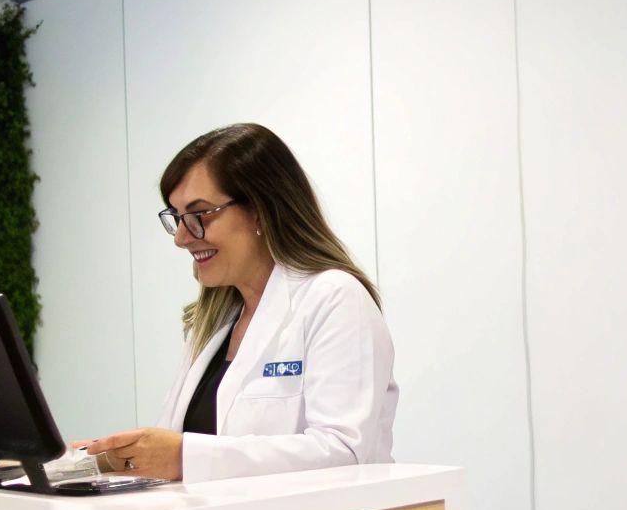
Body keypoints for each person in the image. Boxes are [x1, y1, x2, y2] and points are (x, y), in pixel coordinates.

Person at [77, 124, 396, 482]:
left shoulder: (334, 298)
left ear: (260, 210)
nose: (182, 238)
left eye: (199, 215)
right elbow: (174, 447)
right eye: (177, 218)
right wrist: (102, 458)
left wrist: (185, 457)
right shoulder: (212, 322)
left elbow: (345, 453)